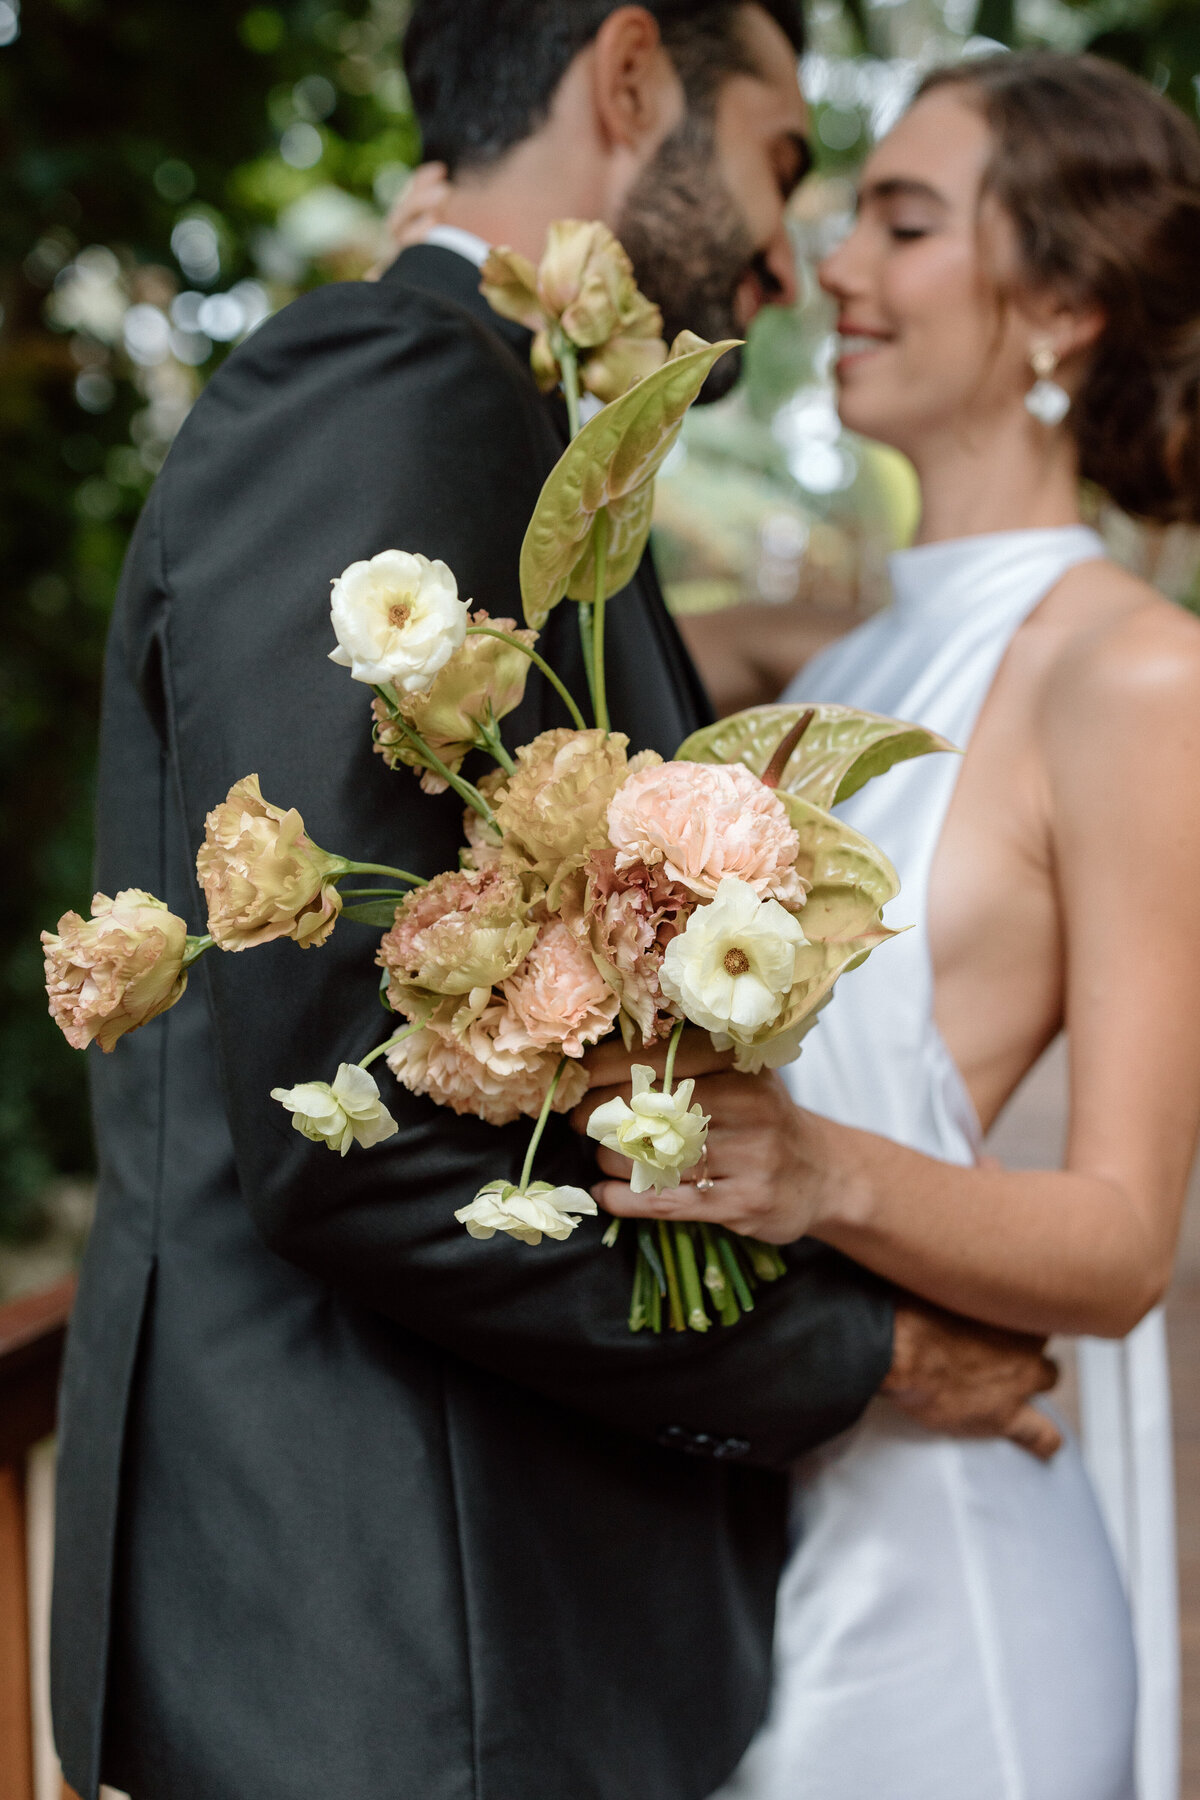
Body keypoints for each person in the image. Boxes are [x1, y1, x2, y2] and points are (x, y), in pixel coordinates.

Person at [48, 9, 1057, 1800]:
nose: (783, 250)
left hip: (466, 1634)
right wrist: (864, 1352)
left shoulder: (488, 421)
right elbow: (351, 1123)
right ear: (629, 81)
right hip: (409, 1643)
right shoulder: (396, 386)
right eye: (777, 159)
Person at [585, 51, 1200, 1800]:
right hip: (746, 1550)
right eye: (849, 213)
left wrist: (826, 1174)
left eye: (907, 224)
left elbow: (1120, 1241)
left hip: (949, 1608)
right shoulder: (835, 668)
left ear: (1063, 306)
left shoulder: (1136, 675)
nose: (835, 266)